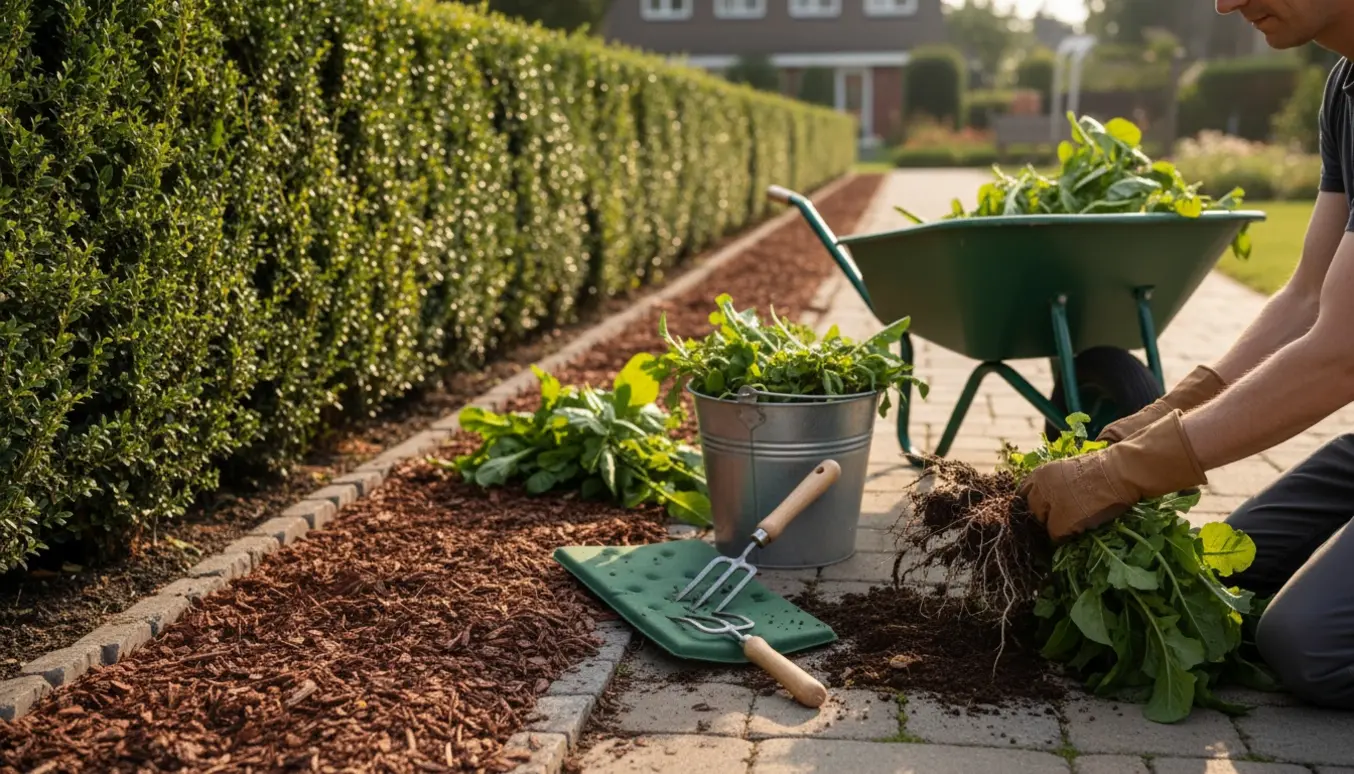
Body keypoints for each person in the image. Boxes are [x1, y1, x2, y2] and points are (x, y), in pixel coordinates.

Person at [1016, 0, 1354, 710]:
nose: (1224, 3)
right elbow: (1305, 299)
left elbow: (1341, 355)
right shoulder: (1345, 87)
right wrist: (1168, 411)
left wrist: (1122, 474)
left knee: (1307, 646)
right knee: (1221, 580)